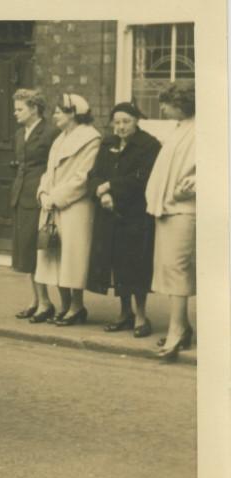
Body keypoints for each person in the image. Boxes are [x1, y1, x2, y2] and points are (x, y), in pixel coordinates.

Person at [86, 102, 162, 337]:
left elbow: (144, 178)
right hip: (109, 214)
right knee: (117, 264)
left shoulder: (149, 145)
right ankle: (124, 313)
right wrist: (102, 192)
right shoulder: (107, 143)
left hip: (135, 215)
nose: (121, 127)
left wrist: (112, 187)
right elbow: (94, 174)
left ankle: (141, 316)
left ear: (136, 121)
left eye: (126, 121)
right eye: (116, 122)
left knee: (135, 265)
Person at [34, 93, 102, 326]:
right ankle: (64, 305)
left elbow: (83, 176)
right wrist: (43, 193)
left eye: (59, 111)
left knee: (73, 257)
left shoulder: (91, 139)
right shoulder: (60, 138)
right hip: (52, 204)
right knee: (54, 256)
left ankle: (77, 306)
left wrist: (56, 197)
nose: (54, 116)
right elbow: (48, 171)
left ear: (74, 113)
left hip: (74, 206)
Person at [146, 82, 196, 362]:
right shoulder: (178, 129)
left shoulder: (203, 129)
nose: (162, 108)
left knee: (178, 269)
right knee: (168, 268)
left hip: (184, 209)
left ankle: (177, 330)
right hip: (166, 208)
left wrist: (193, 183)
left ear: (181, 103)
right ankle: (182, 325)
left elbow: (215, 166)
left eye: (166, 103)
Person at [10, 89, 61, 322]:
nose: (15, 113)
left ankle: (46, 302)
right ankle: (36, 299)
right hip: (22, 197)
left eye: (20, 109)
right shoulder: (20, 133)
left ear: (34, 108)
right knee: (26, 251)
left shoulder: (50, 133)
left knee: (38, 250)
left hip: (40, 198)